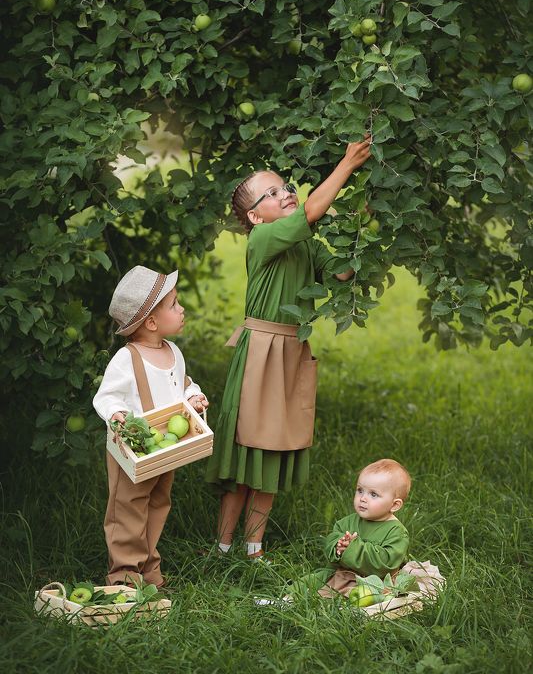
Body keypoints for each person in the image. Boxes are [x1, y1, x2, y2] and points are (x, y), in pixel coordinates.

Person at [205, 137, 372, 560]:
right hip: (260, 354)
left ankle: (253, 549)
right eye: (273, 192)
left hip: (291, 352)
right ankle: (221, 548)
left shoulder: (304, 244)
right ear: (254, 216)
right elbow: (311, 211)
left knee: (273, 451)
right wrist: (347, 164)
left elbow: (342, 274)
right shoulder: (261, 240)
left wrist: (356, 227)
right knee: (245, 453)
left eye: (286, 187)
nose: (286, 193)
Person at [93, 265, 209, 588]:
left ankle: (148, 566)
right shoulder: (127, 359)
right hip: (132, 450)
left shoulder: (173, 352)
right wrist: (117, 415)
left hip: (164, 449)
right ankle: (124, 573)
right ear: (152, 323)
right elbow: (107, 396)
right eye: (174, 304)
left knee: (158, 504)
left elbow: (182, 384)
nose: (181, 309)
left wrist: (193, 396)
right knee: (127, 509)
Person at [289, 458, 411, 598]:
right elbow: (331, 541)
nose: (363, 498)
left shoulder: (396, 532)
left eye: (373, 494)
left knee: (357, 594)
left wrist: (352, 548)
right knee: (308, 582)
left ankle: (327, 600)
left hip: (375, 581)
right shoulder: (347, 522)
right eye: (360, 490)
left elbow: (386, 563)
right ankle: (285, 598)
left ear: (394, 505)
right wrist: (338, 546)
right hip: (342, 573)